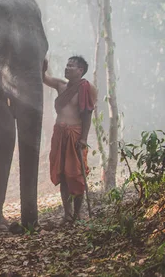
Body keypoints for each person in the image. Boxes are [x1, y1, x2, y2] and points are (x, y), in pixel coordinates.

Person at [43, 56, 98, 223]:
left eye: (71, 66)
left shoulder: (87, 88)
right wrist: (43, 65)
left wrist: (83, 139)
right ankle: (67, 214)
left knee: (76, 175)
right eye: (67, 65)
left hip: (75, 135)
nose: (67, 68)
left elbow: (87, 115)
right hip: (59, 134)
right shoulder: (61, 85)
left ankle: (77, 213)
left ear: (80, 70)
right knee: (63, 174)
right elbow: (43, 78)